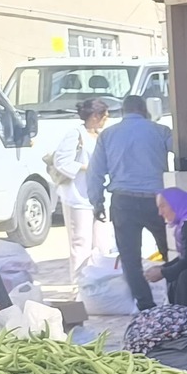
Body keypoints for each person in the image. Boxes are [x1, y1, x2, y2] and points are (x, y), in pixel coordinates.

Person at [86, 93, 174, 311]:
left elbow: (95, 173)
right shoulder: (160, 131)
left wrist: (97, 203)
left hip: (123, 201)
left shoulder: (108, 135)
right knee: (170, 252)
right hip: (158, 201)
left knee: (130, 258)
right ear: (144, 110)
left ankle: (146, 306)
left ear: (123, 112)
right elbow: (185, 153)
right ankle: (178, 299)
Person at [47, 96, 110, 280]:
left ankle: (101, 281)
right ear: (95, 116)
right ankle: (80, 285)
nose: (107, 119)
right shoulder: (76, 134)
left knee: (102, 244)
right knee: (80, 243)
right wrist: (88, 168)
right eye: (105, 115)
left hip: (100, 196)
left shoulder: (102, 135)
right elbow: (61, 162)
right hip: (78, 196)